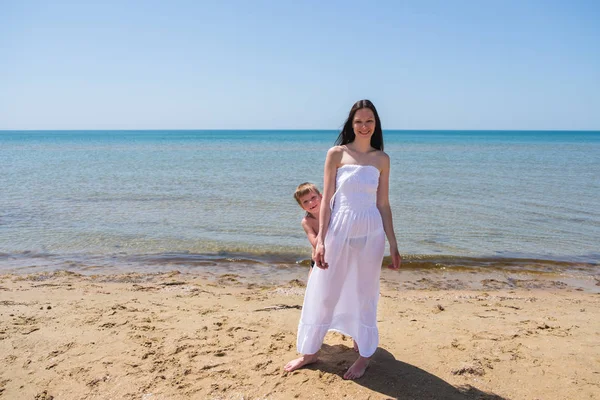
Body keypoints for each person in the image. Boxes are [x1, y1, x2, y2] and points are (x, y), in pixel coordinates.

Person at [284, 99, 401, 380]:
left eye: (369, 121)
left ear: (376, 124)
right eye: (359, 121)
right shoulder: (336, 154)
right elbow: (326, 203)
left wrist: (393, 243)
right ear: (351, 124)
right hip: (339, 228)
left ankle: (363, 355)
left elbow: (383, 203)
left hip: (371, 233)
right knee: (324, 290)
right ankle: (311, 352)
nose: (364, 126)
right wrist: (321, 239)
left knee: (365, 293)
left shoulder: (381, 159)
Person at [293, 182, 322, 277]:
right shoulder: (307, 222)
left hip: (336, 256)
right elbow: (315, 243)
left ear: (321, 196)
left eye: (313, 197)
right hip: (318, 260)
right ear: (302, 207)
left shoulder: (333, 212)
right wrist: (324, 225)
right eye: (305, 201)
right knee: (313, 288)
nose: (311, 202)